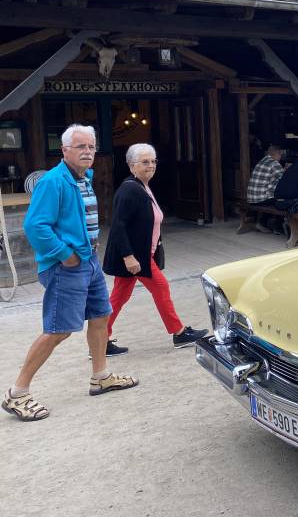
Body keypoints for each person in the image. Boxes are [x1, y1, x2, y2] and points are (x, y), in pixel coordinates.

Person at [3, 125, 137, 422]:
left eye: (91, 146)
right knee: (58, 329)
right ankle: (17, 393)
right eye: (80, 147)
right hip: (67, 267)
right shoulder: (53, 182)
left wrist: (81, 257)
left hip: (88, 262)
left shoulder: (83, 178)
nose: (87, 151)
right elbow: (35, 226)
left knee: (101, 317)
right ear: (64, 151)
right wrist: (66, 255)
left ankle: (100, 376)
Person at [102, 144, 208, 353]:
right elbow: (118, 226)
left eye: (153, 161)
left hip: (139, 254)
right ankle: (179, 333)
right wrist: (129, 257)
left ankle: (99, 339)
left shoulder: (142, 186)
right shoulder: (130, 190)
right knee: (161, 286)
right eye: (145, 162)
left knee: (118, 297)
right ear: (132, 166)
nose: (150, 165)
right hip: (135, 256)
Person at [246, 144, 285, 233]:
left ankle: (264, 222)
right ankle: (277, 227)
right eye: (281, 155)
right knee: (283, 201)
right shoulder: (274, 163)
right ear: (277, 154)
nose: (281, 157)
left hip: (251, 198)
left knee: (272, 197)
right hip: (260, 199)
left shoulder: (262, 160)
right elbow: (285, 179)